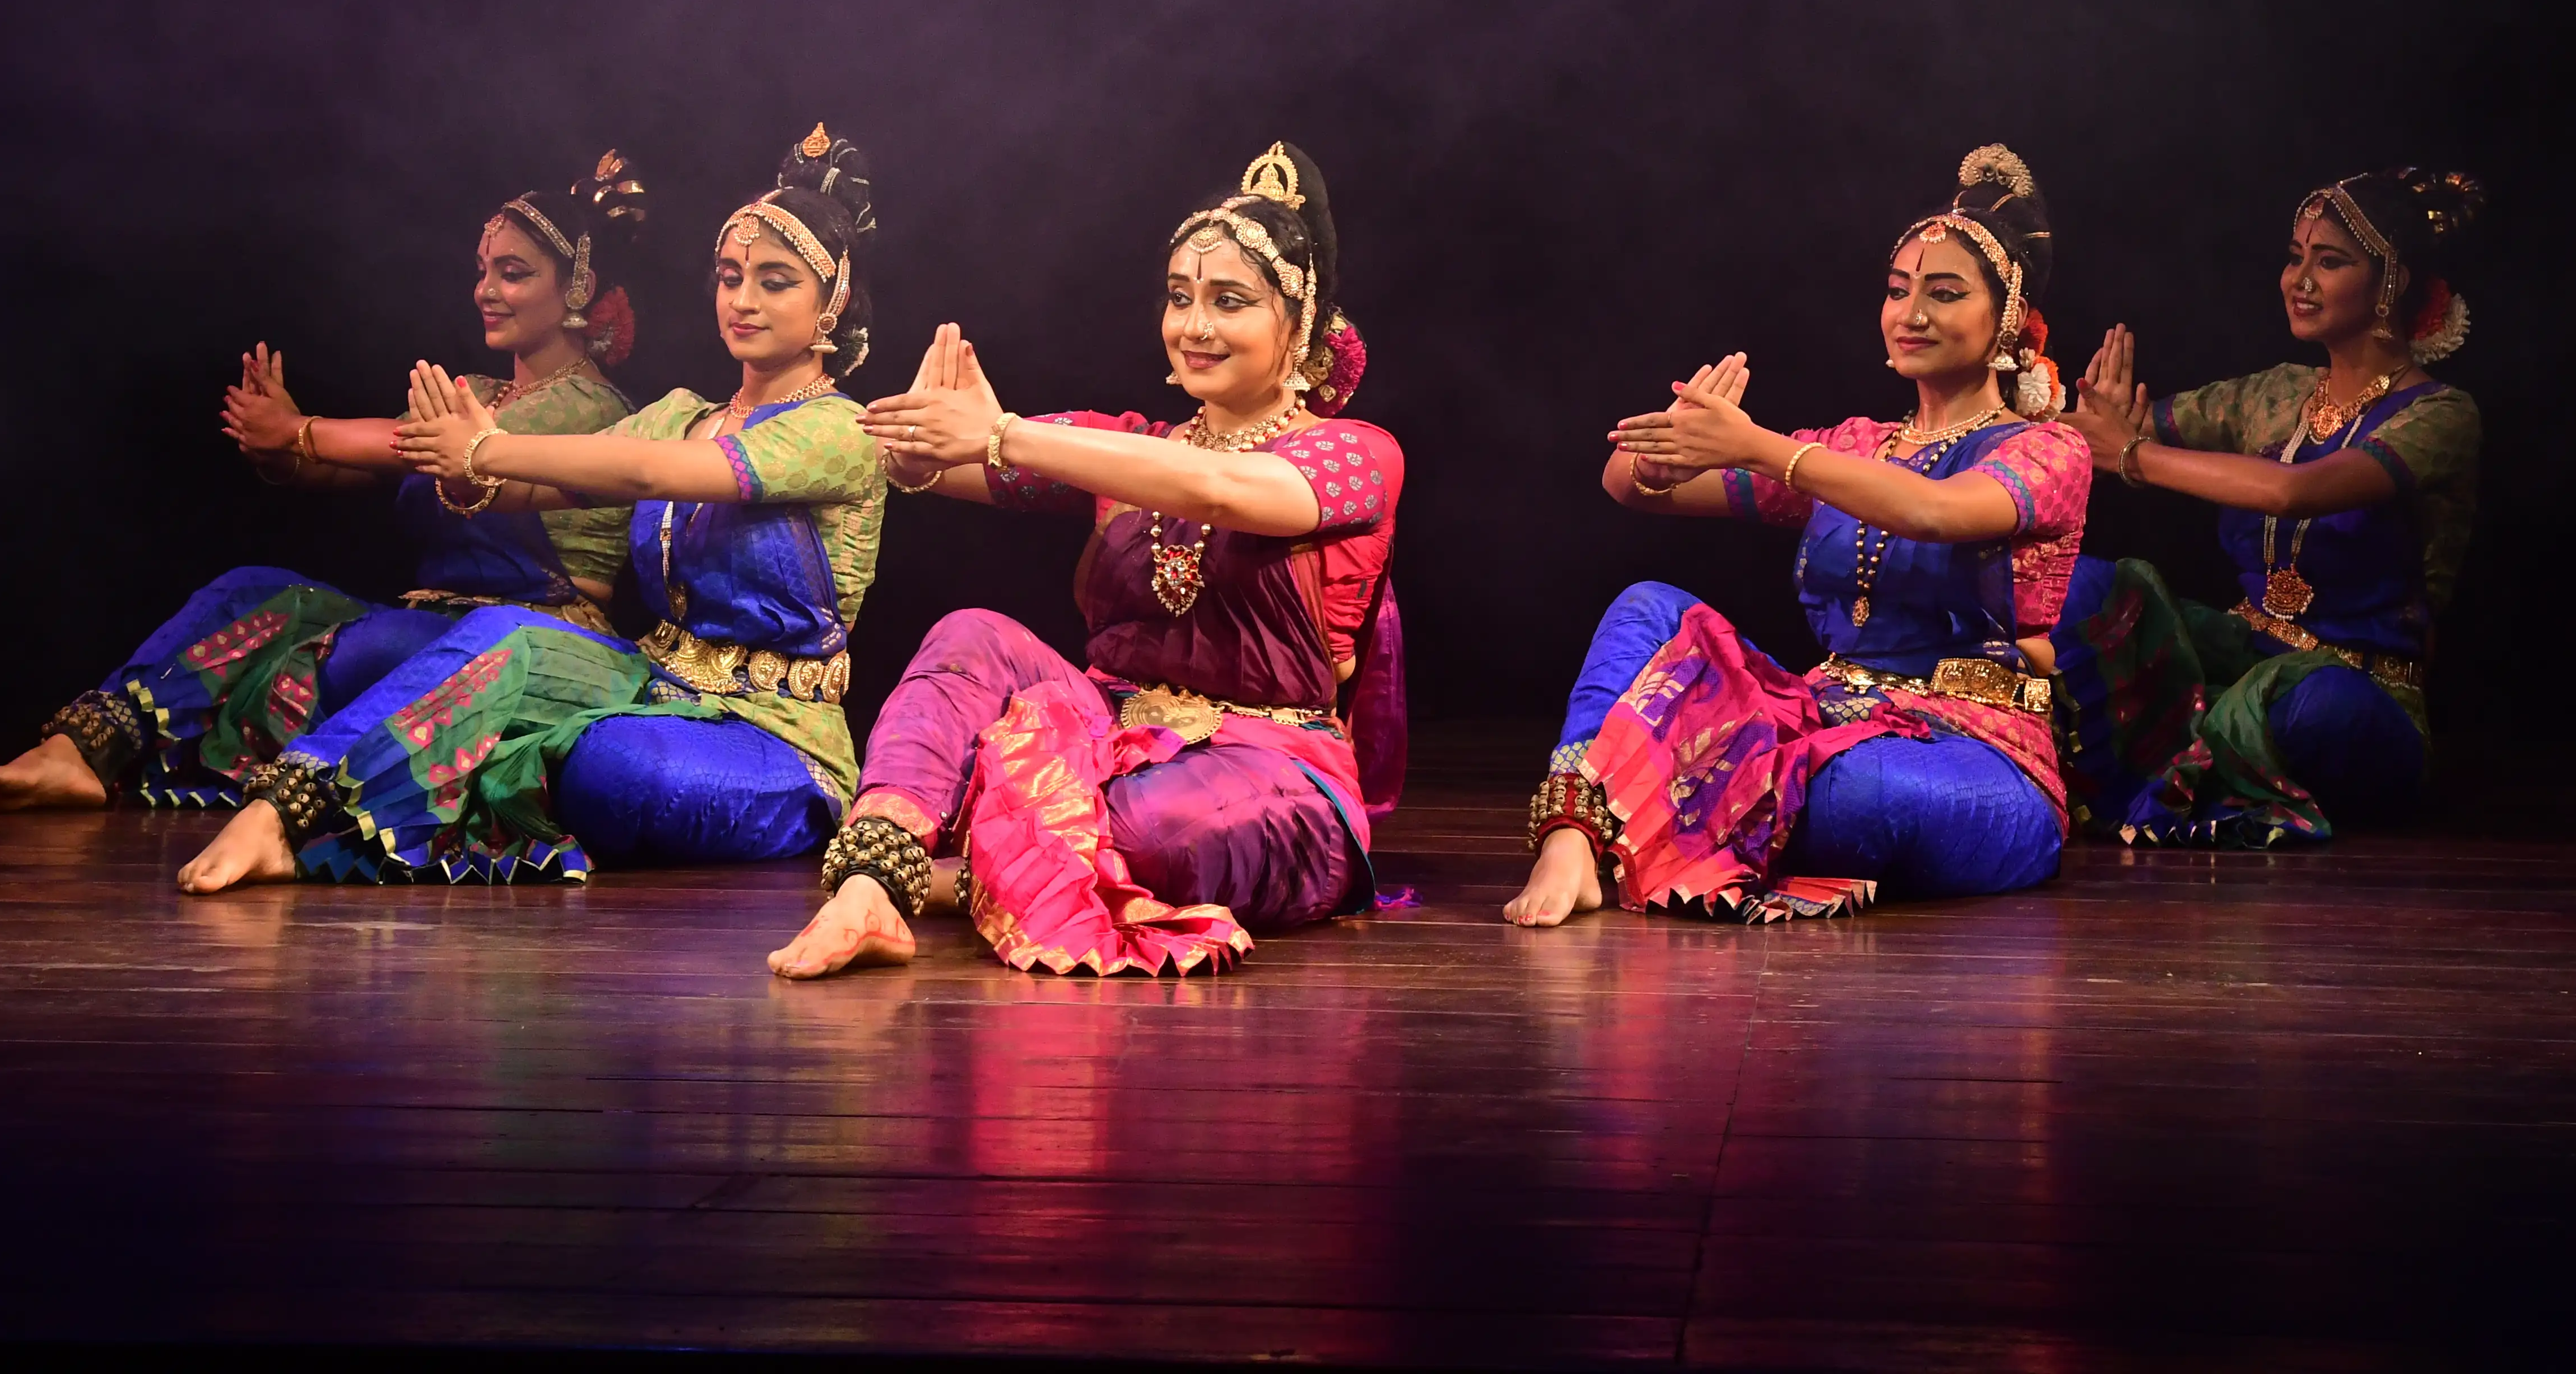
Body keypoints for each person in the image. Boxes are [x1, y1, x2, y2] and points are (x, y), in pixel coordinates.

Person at [170, 128, 885, 892]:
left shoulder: (840, 430)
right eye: (729, 276)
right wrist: (460, 462)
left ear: (832, 302)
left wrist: (488, 450)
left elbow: (649, 472)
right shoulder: (682, 411)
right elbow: (542, 489)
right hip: (656, 683)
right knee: (507, 637)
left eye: (774, 282)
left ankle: (476, 785)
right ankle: (292, 814)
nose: (742, 300)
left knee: (615, 767)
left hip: (775, 739)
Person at [767, 141, 1403, 979]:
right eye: (1179, 298)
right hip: (1108, 728)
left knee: (1150, 829)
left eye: (1231, 301)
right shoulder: (1131, 446)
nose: (1194, 326)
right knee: (972, 635)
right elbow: (961, 462)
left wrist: (1006, 433)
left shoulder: (1355, 455)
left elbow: (1222, 490)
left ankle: (975, 870)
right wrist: (919, 451)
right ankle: (871, 887)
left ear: (1302, 329)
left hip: (1274, 771)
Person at [1506, 146, 2092, 928]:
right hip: (1821, 719)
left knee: (1853, 793)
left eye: (1944, 294)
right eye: (1897, 291)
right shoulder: (1853, 446)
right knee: (1646, 609)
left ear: (2007, 319)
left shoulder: (2048, 449)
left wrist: (1762, 447)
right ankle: (1575, 836)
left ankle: (1672, 814)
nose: (1911, 314)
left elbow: (1937, 513)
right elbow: (1627, 483)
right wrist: (1669, 445)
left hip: (1977, 757)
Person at [0, 154, 646, 814]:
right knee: (250, 590)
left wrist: (296, 428)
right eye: (482, 271)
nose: (485, 291)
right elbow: (360, 462)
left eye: (513, 273)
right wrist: (280, 452)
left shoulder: (591, 407)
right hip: (433, 616)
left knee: (366, 646)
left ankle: (293, 801)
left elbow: (407, 446)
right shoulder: (480, 392)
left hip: (527, 633)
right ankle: (77, 754)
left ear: (577, 289)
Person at [2054, 168, 2484, 847]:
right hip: (2243, 653)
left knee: (2315, 710)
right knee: (2081, 593)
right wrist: (2076, 418)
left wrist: (2132, 456)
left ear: (2392, 285)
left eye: (2330, 261)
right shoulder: (2277, 395)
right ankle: (2138, 788)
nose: (2299, 280)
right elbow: (2119, 429)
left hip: (2359, 692)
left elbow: (2294, 492)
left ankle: (2177, 773)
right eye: (2295, 258)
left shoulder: (2440, 416)